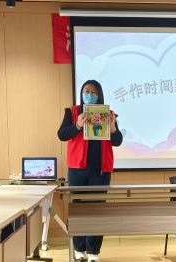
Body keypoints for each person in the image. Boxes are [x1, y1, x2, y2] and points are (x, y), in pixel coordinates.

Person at [57, 80, 123, 262]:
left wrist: (113, 129)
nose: (89, 95)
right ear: (81, 92)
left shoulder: (109, 114)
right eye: (86, 91)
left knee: (97, 210)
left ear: (99, 95)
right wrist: (77, 126)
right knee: (78, 208)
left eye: (93, 92)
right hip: (77, 169)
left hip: (100, 170)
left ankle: (93, 251)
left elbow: (117, 141)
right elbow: (62, 134)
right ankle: (79, 249)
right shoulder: (72, 112)